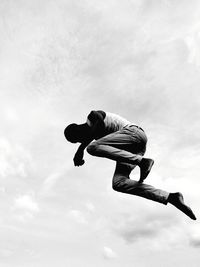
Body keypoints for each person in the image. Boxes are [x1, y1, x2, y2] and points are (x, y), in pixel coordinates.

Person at [64, 110, 196, 220]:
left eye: (78, 139)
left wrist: (80, 150)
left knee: (92, 148)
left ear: (77, 130)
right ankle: (171, 197)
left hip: (134, 133)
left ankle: (142, 162)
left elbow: (98, 123)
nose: (81, 141)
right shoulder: (97, 137)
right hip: (134, 149)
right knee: (118, 183)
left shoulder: (92, 116)